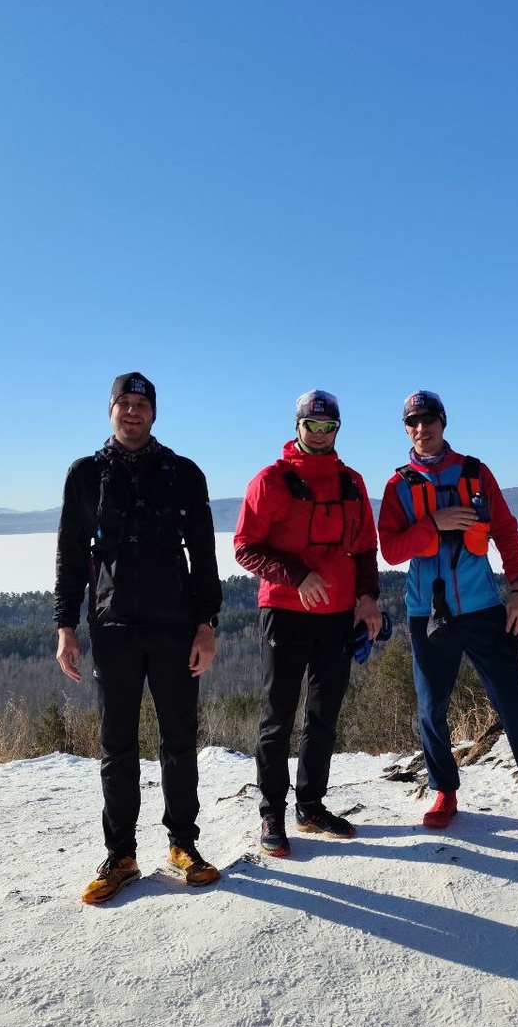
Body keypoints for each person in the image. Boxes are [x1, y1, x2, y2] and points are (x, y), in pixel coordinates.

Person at [378, 390, 518, 835]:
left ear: (443, 422)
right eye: (412, 422)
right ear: (405, 428)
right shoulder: (398, 485)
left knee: (513, 701)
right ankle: (444, 792)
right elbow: (391, 551)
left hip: (483, 608)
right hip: (428, 613)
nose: (421, 428)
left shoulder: (475, 472)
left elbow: (507, 532)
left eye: (428, 419)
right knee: (431, 708)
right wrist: (431, 525)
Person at [55, 372, 223, 903]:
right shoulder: (85, 474)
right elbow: (70, 553)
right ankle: (121, 855)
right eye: (124, 404)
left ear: (155, 414)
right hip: (112, 627)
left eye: (141, 405)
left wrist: (206, 624)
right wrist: (66, 626)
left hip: (175, 627)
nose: (133, 412)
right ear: (110, 410)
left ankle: (182, 845)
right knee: (117, 745)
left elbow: (203, 552)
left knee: (179, 740)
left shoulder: (183, 473)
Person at [235, 389, 383, 856]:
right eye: (312, 425)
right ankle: (271, 811)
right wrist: (297, 576)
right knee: (277, 716)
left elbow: (363, 550)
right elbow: (245, 547)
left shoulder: (352, 482)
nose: (320, 433)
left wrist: (368, 601)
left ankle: (311, 805)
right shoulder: (270, 480)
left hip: (337, 616)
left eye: (328, 426)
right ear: (297, 426)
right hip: (283, 613)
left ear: (337, 429)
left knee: (323, 717)